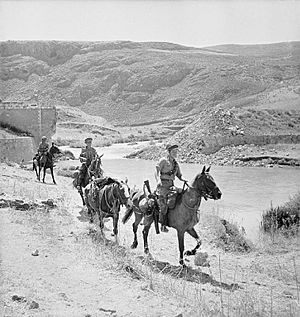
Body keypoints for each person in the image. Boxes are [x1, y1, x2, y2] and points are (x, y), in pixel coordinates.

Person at [155, 144, 186, 232]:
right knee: (165, 204)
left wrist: (184, 180)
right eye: (173, 152)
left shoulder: (176, 164)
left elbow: (179, 176)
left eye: (176, 151)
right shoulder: (163, 161)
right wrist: (158, 180)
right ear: (169, 152)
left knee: (183, 194)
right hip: (163, 186)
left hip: (172, 186)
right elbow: (156, 170)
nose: (175, 153)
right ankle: (163, 225)